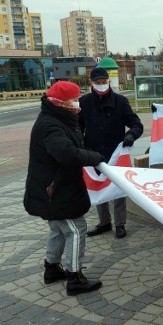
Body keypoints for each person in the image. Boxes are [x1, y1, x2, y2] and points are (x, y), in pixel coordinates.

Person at [23, 80, 105, 296]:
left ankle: (51, 269)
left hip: (57, 188)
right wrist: (95, 158)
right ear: (61, 102)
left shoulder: (60, 118)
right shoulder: (51, 125)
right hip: (55, 191)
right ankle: (74, 277)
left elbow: (75, 145)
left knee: (58, 229)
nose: (78, 103)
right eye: (75, 99)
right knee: (76, 229)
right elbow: (66, 153)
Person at [79, 67, 144, 239]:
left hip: (116, 153)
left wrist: (131, 135)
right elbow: (77, 128)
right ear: (91, 83)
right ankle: (104, 222)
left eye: (104, 82)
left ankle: (120, 223)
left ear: (109, 81)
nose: (102, 85)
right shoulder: (84, 102)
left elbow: (136, 124)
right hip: (93, 152)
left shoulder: (120, 101)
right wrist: (80, 144)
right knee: (99, 186)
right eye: (98, 83)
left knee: (118, 189)